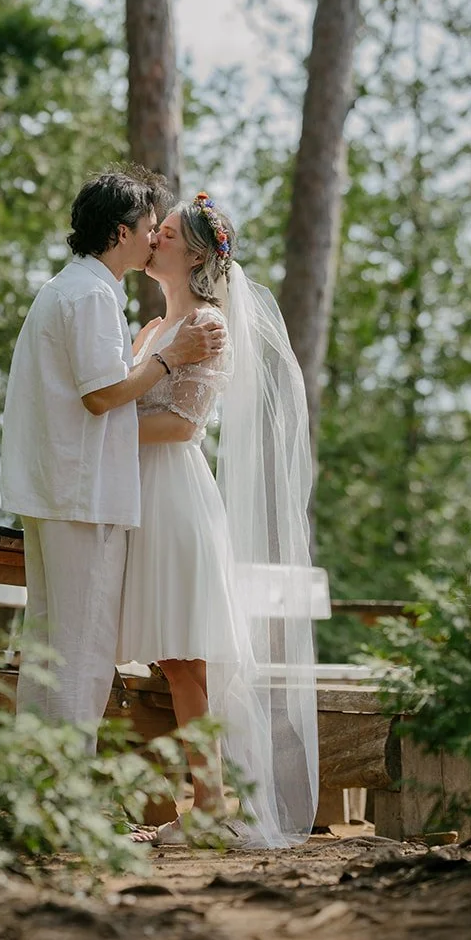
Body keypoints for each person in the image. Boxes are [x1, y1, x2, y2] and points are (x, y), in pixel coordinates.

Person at [118, 193, 321, 847]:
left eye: (168, 232)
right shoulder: (154, 329)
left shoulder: (208, 324)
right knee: (171, 657)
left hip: (175, 498)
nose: (155, 237)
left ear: (197, 256)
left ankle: (210, 806)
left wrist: (101, 429)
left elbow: (182, 424)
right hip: (137, 496)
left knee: (186, 658)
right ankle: (201, 802)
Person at [0, 169, 226, 744]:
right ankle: (63, 781)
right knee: (81, 651)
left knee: (50, 644)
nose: (154, 238)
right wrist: (168, 358)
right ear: (122, 232)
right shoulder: (94, 295)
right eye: (151, 227)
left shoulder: (68, 288)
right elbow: (101, 396)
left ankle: (34, 773)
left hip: (61, 489)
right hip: (85, 494)